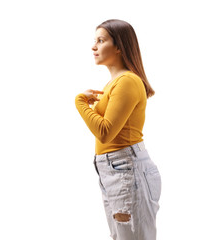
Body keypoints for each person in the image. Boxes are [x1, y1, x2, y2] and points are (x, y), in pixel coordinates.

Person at [75, 19, 162, 240]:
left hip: (125, 169)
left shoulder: (127, 81)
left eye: (101, 40)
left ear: (119, 46)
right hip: (117, 169)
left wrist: (81, 103)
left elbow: (105, 132)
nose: (93, 46)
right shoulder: (116, 82)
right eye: (94, 40)